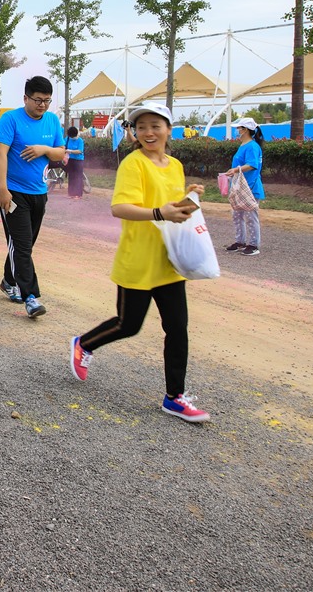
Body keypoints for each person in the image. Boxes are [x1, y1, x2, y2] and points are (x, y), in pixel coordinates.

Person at [68, 104, 210, 423]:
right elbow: (120, 208)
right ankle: (83, 344)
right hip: (138, 259)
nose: (148, 132)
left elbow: (170, 207)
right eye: (141, 126)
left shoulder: (174, 165)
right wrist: (160, 213)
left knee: (177, 328)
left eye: (155, 126)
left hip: (168, 260)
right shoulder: (133, 164)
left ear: (169, 130)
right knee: (128, 325)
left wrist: (189, 199)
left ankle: (174, 397)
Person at [0, 76, 67, 319]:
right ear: (25, 98)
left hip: (39, 193)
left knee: (24, 244)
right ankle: (30, 298)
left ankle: (8, 280)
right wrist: (2, 189)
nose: (42, 105)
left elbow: (60, 153)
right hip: (14, 193)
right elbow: (0, 153)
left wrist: (43, 149)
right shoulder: (11, 119)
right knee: (22, 246)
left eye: (47, 100)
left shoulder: (52, 120)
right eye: (38, 100)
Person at [223, 117, 265, 255]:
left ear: (245, 130)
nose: (237, 130)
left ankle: (253, 245)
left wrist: (236, 170)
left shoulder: (252, 146)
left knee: (251, 216)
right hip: (240, 186)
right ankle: (240, 241)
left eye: (239, 128)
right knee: (237, 214)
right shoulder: (244, 145)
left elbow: (252, 165)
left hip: (250, 186)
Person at [65, 126, 86, 199]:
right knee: (71, 176)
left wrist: (70, 151)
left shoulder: (80, 140)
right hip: (70, 160)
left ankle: (78, 194)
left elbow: (80, 151)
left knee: (78, 177)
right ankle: (71, 193)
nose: (72, 138)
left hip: (78, 160)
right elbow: (63, 146)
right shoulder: (67, 139)